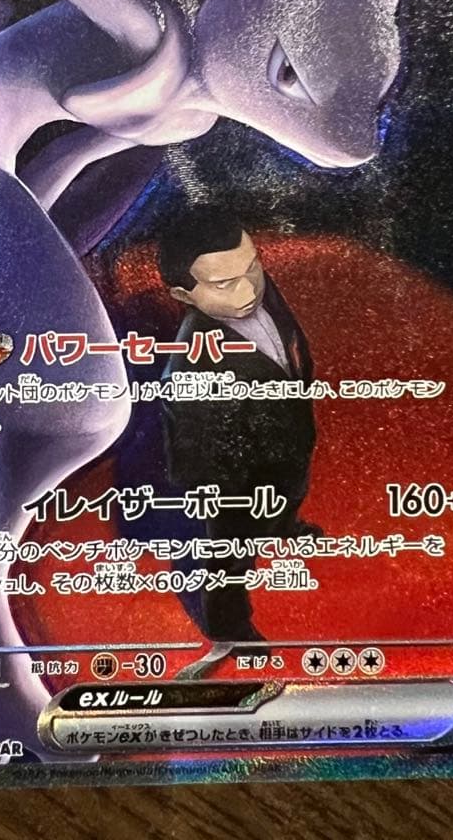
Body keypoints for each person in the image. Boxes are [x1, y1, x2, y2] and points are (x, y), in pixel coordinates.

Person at [158, 207, 320, 645]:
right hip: (233, 478)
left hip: (287, 439)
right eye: (224, 284)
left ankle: (283, 525)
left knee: (291, 490)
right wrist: (218, 494)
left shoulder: (264, 293)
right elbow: (191, 443)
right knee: (229, 555)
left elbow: (290, 342)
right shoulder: (189, 362)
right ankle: (228, 625)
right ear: (184, 294)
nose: (248, 290)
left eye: (252, 268)